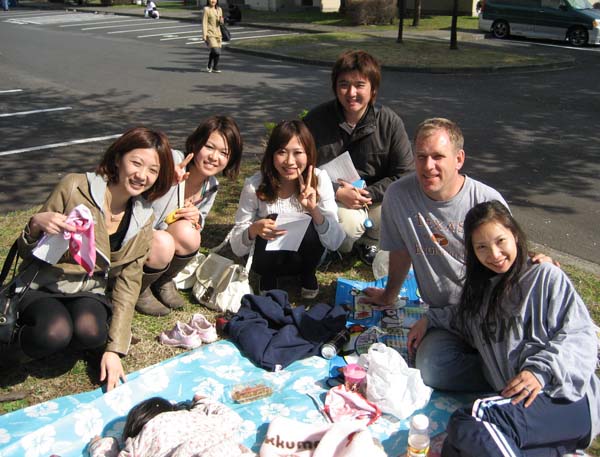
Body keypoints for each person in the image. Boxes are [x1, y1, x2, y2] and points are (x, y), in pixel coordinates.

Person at [410, 201, 600, 456]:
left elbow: (582, 336)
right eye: (482, 247)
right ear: (473, 253)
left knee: (470, 420)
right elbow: (458, 317)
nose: (495, 254)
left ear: (515, 236)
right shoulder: (479, 300)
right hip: (525, 413)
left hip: (562, 397)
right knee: (455, 449)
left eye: (500, 241)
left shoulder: (544, 277)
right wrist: (429, 320)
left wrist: (540, 371)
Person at [10, 127, 175, 391]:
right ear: (118, 158)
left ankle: (72, 340)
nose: (142, 175)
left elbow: (129, 283)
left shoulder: (143, 218)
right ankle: (9, 356)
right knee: (54, 332)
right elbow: (27, 253)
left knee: (91, 331)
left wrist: (115, 349)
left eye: (152, 170)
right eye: (136, 162)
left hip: (89, 289)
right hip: (43, 283)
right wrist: (36, 224)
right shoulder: (75, 186)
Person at [362, 117, 508, 392]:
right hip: (444, 318)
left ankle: (505, 370)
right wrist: (389, 294)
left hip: (488, 313)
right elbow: (402, 248)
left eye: (438, 157)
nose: (428, 166)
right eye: (421, 157)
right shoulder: (399, 195)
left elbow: (509, 272)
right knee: (430, 368)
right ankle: (500, 371)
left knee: (510, 353)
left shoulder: (486, 202)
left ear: (459, 159)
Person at [303, 50, 413, 266]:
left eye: (360, 85)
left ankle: (368, 242)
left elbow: (405, 172)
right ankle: (339, 246)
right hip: (332, 197)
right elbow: (301, 168)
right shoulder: (316, 120)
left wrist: (367, 193)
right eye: (344, 84)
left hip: (377, 197)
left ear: (373, 89)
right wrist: (337, 191)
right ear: (335, 87)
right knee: (346, 227)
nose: (351, 92)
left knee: (400, 219)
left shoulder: (389, 122)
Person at [136, 115, 243, 316]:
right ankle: (139, 289)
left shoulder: (211, 186)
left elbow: (197, 225)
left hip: (160, 242)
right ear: (196, 143)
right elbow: (136, 188)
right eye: (209, 147)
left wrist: (196, 217)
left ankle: (163, 281)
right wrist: (163, 178)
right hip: (138, 234)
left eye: (224, 153)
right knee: (165, 241)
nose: (214, 157)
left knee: (190, 233)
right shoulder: (172, 159)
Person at [230, 120, 344, 299]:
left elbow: (336, 242)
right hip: (265, 259)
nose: (289, 161)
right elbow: (236, 246)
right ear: (271, 154)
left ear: (309, 154)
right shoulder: (255, 185)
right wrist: (254, 229)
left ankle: (307, 274)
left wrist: (314, 210)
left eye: (298, 152)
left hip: (305, 258)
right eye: (281, 152)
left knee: (310, 221)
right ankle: (269, 276)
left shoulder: (319, 180)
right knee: (271, 219)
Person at [88, 394, 254, 456]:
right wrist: (203, 401)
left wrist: (102, 444)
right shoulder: (196, 417)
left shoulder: (139, 443)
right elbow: (232, 418)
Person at [202, 0, 224, 73]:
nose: (213, 0)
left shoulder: (219, 9)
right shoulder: (206, 9)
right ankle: (209, 64)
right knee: (216, 51)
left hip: (218, 33)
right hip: (210, 33)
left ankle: (214, 67)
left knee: (216, 51)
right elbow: (204, 22)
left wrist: (221, 21)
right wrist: (204, 35)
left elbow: (221, 22)